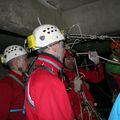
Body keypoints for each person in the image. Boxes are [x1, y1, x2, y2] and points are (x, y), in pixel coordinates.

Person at [25, 24, 74, 120]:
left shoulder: (40, 74)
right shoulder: (47, 81)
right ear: (54, 46)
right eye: (62, 45)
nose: (64, 50)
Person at [63, 49, 104, 120]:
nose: (72, 61)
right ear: (62, 60)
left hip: (90, 113)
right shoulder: (60, 78)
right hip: (76, 116)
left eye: (73, 58)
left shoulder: (80, 72)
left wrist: (97, 63)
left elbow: (97, 77)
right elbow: (62, 102)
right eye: (68, 59)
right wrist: (74, 90)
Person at [0, 45, 29, 120]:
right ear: (16, 62)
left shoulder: (24, 80)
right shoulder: (5, 85)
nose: (28, 62)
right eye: (25, 59)